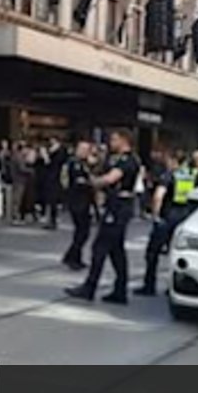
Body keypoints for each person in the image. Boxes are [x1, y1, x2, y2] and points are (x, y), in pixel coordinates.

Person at [64, 129, 140, 305]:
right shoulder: (119, 159)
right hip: (118, 206)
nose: (111, 142)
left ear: (124, 140)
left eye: (114, 139)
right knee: (116, 251)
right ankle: (120, 290)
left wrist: (92, 182)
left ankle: (90, 287)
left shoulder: (127, 160)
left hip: (118, 207)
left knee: (100, 247)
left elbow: (110, 179)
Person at [134, 150, 198, 297]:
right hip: (187, 219)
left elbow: (159, 195)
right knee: (177, 255)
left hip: (168, 217)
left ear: (173, 161)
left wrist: (155, 215)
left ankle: (149, 285)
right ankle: (174, 286)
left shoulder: (171, 174)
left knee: (153, 253)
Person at [60, 139, 94, 271]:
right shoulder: (74, 163)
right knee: (82, 232)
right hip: (77, 200)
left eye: (87, 150)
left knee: (82, 232)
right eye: (83, 150)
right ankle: (72, 257)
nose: (85, 152)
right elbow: (78, 181)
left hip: (84, 200)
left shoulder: (83, 163)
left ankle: (73, 256)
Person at [42, 137, 67, 230]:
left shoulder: (59, 152)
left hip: (54, 177)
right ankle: (51, 220)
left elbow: (50, 163)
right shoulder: (57, 151)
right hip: (53, 177)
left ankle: (53, 221)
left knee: (52, 199)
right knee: (51, 199)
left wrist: (46, 156)